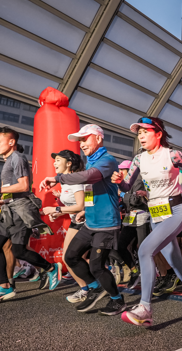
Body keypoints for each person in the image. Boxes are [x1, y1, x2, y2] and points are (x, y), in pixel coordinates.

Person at [112, 117, 182, 327]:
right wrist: (120, 182)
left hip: (176, 211)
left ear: (158, 133)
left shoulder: (172, 154)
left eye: (145, 131)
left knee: (144, 250)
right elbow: (127, 187)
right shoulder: (139, 159)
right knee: (174, 260)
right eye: (139, 133)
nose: (141, 136)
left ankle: (145, 307)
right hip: (156, 215)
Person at [39, 124, 126, 315]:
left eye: (85, 139)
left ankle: (117, 299)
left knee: (96, 264)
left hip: (107, 223)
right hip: (90, 221)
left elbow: (89, 177)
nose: (82, 144)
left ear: (98, 138)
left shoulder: (107, 160)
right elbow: (88, 188)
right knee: (70, 256)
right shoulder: (91, 161)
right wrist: (85, 210)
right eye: (80, 140)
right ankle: (96, 287)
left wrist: (58, 178)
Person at [0, 127, 62, 305]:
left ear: (11, 142)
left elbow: (24, 186)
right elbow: (12, 187)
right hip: (9, 210)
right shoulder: (9, 160)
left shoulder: (18, 158)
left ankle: (51, 267)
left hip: (20, 212)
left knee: (18, 251)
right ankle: (5, 286)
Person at [41, 149, 90, 303]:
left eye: (58, 160)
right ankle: (88, 287)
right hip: (76, 222)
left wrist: (56, 209)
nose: (54, 163)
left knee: (70, 258)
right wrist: (59, 213)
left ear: (69, 164)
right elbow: (72, 206)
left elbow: (81, 206)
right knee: (70, 258)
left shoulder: (74, 181)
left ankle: (91, 286)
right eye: (54, 160)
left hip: (87, 223)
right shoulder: (66, 181)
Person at [117, 160, 150, 289]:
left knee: (143, 249)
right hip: (130, 217)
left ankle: (148, 276)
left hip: (142, 216)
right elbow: (128, 200)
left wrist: (122, 194)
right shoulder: (123, 183)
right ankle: (134, 270)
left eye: (123, 170)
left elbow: (136, 200)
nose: (120, 172)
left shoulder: (137, 179)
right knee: (121, 245)